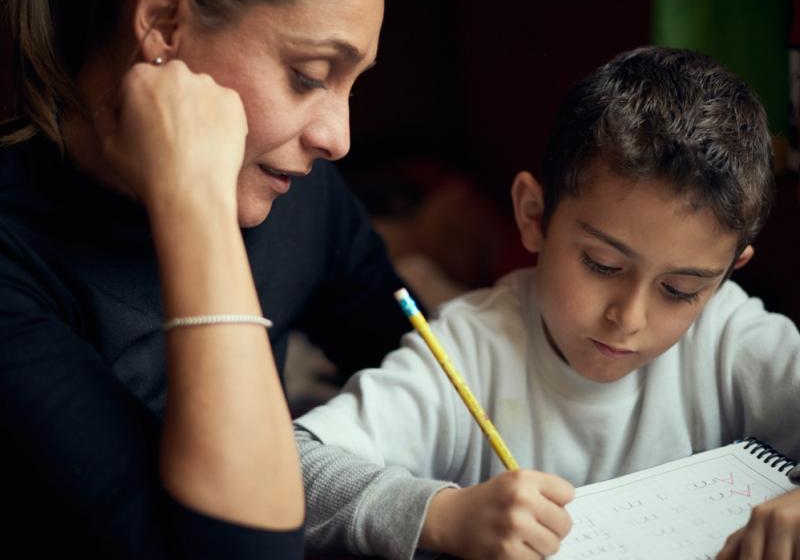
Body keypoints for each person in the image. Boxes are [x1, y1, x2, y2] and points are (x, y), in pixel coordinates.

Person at [294, 46, 800, 560]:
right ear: (534, 216)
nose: (629, 318)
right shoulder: (468, 352)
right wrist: (440, 514)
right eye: (602, 264)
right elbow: (292, 468)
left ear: (727, 274)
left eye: (681, 290)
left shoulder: (729, 336)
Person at [0, 0, 414, 557]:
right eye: (308, 76)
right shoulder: (16, 262)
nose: (338, 138)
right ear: (164, 23)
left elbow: (422, 374)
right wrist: (194, 201)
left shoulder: (293, 191)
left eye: (353, 84)